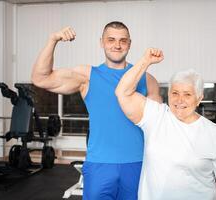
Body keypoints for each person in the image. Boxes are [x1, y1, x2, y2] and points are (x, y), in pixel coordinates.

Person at [31, 22, 161, 200]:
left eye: (123, 40)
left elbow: (158, 127)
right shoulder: (87, 76)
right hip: (99, 164)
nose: (117, 45)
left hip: (137, 164)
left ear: (130, 44)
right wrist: (53, 40)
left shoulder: (148, 79)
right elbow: (41, 78)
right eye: (111, 40)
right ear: (102, 42)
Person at [115, 48, 216, 200]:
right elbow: (123, 92)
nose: (180, 100)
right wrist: (145, 61)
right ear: (168, 95)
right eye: (175, 93)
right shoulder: (156, 116)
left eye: (187, 94)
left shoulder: (214, 133)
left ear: (199, 99)